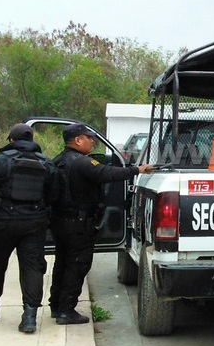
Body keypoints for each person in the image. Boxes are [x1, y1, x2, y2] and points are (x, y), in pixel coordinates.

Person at [49, 123, 152, 324]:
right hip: (78, 224)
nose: (91, 141)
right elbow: (107, 174)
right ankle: (66, 311)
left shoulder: (58, 161)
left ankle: (56, 306)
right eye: (88, 138)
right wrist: (136, 169)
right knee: (77, 264)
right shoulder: (82, 163)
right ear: (78, 141)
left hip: (60, 222)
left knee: (62, 263)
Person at [0, 124, 57, 333]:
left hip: (2, 223)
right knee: (32, 267)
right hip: (34, 225)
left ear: (11, 140)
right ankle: (29, 316)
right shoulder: (47, 164)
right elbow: (55, 195)